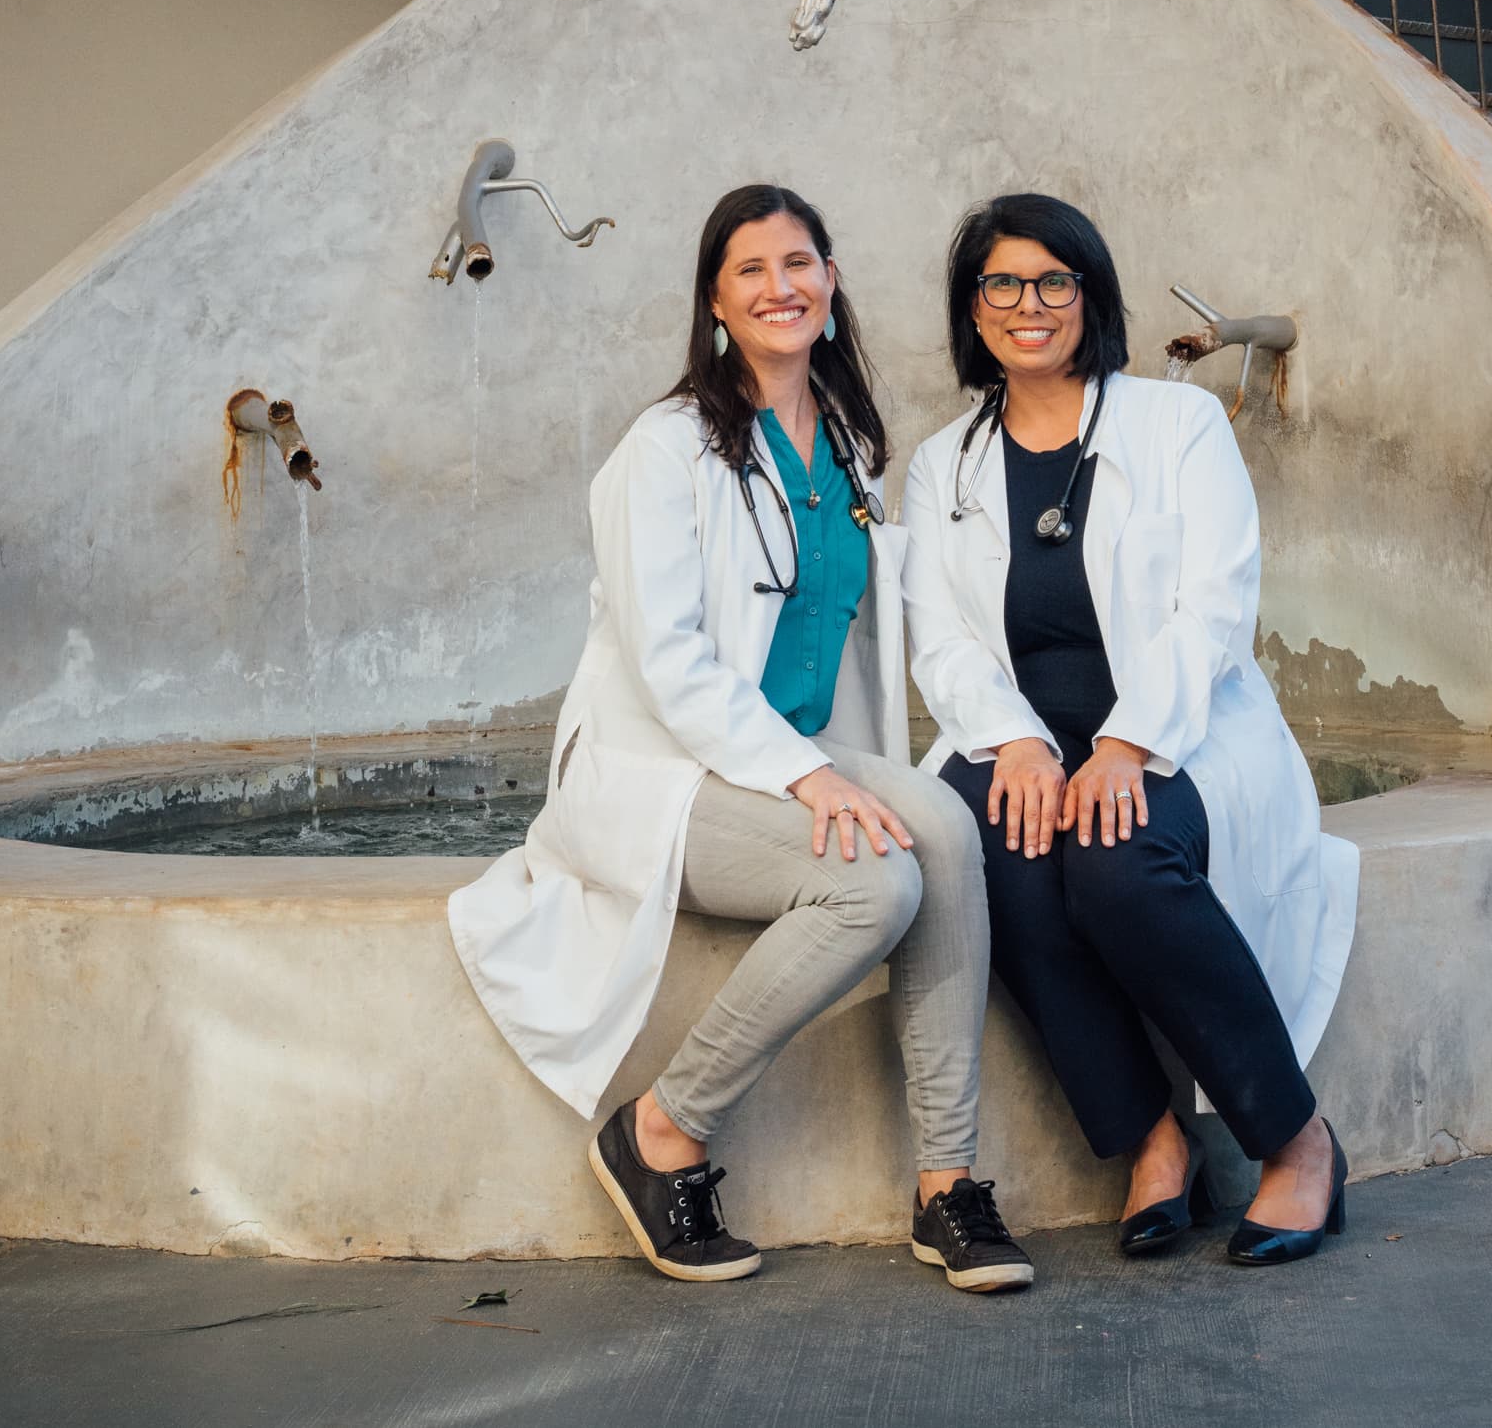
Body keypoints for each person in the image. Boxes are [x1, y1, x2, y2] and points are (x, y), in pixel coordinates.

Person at [448, 184, 1031, 1292]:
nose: (782, 286)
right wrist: (808, 777)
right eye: (752, 269)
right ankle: (662, 1127)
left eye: (800, 261)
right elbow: (668, 659)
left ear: (831, 280)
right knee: (874, 889)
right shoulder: (663, 449)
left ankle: (946, 1183)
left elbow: (881, 627)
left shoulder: (849, 450)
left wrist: (1006, 731)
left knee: (946, 829)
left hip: (781, 759)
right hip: (657, 768)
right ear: (716, 301)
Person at [900, 192, 1360, 1266]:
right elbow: (942, 640)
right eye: (1001, 283)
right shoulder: (942, 463)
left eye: (1052, 280)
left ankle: (1294, 1142)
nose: (1028, 303)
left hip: (1178, 732)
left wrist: (1124, 744)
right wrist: (1014, 742)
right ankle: (1153, 1137)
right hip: (1017, 736)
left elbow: (1216, 605)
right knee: (990, 850)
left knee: (1114, 859)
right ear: (973, 309)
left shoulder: (1176, 422)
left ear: (1087, 295)